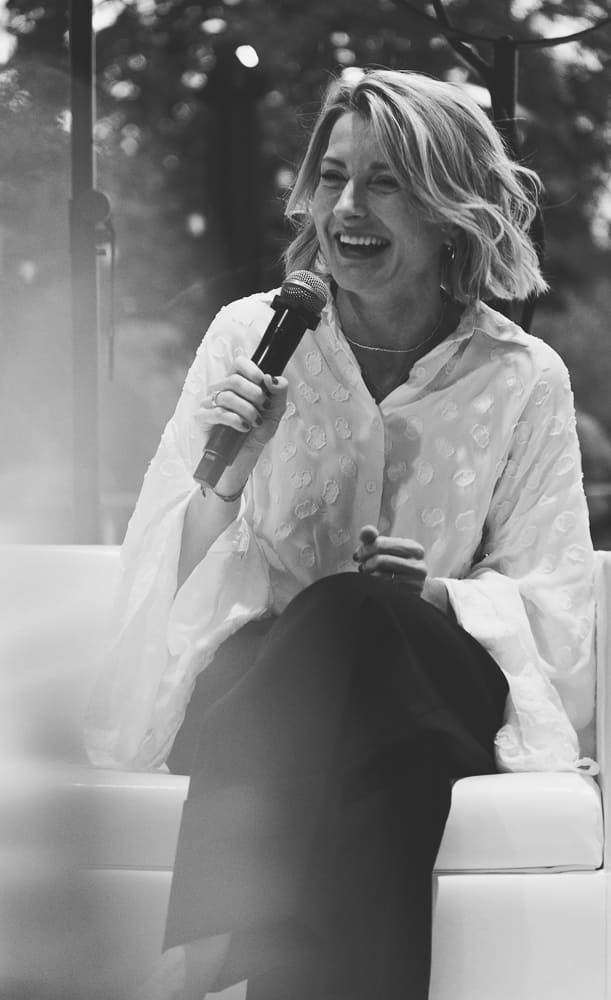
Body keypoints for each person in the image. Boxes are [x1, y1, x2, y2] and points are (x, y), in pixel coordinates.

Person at [85, 69, 597, 1000]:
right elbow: (162, 582)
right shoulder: (249, 334)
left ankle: (204, 945)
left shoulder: (523, 376)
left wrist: (433, 597)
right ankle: (235, 944)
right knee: (369, 742)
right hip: (266, 683)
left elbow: (555, 606)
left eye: (385, 183)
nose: (346, 207)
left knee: (361, 615)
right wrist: (230, 472)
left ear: (449, 210)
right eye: (332, 176)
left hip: (431, 675)